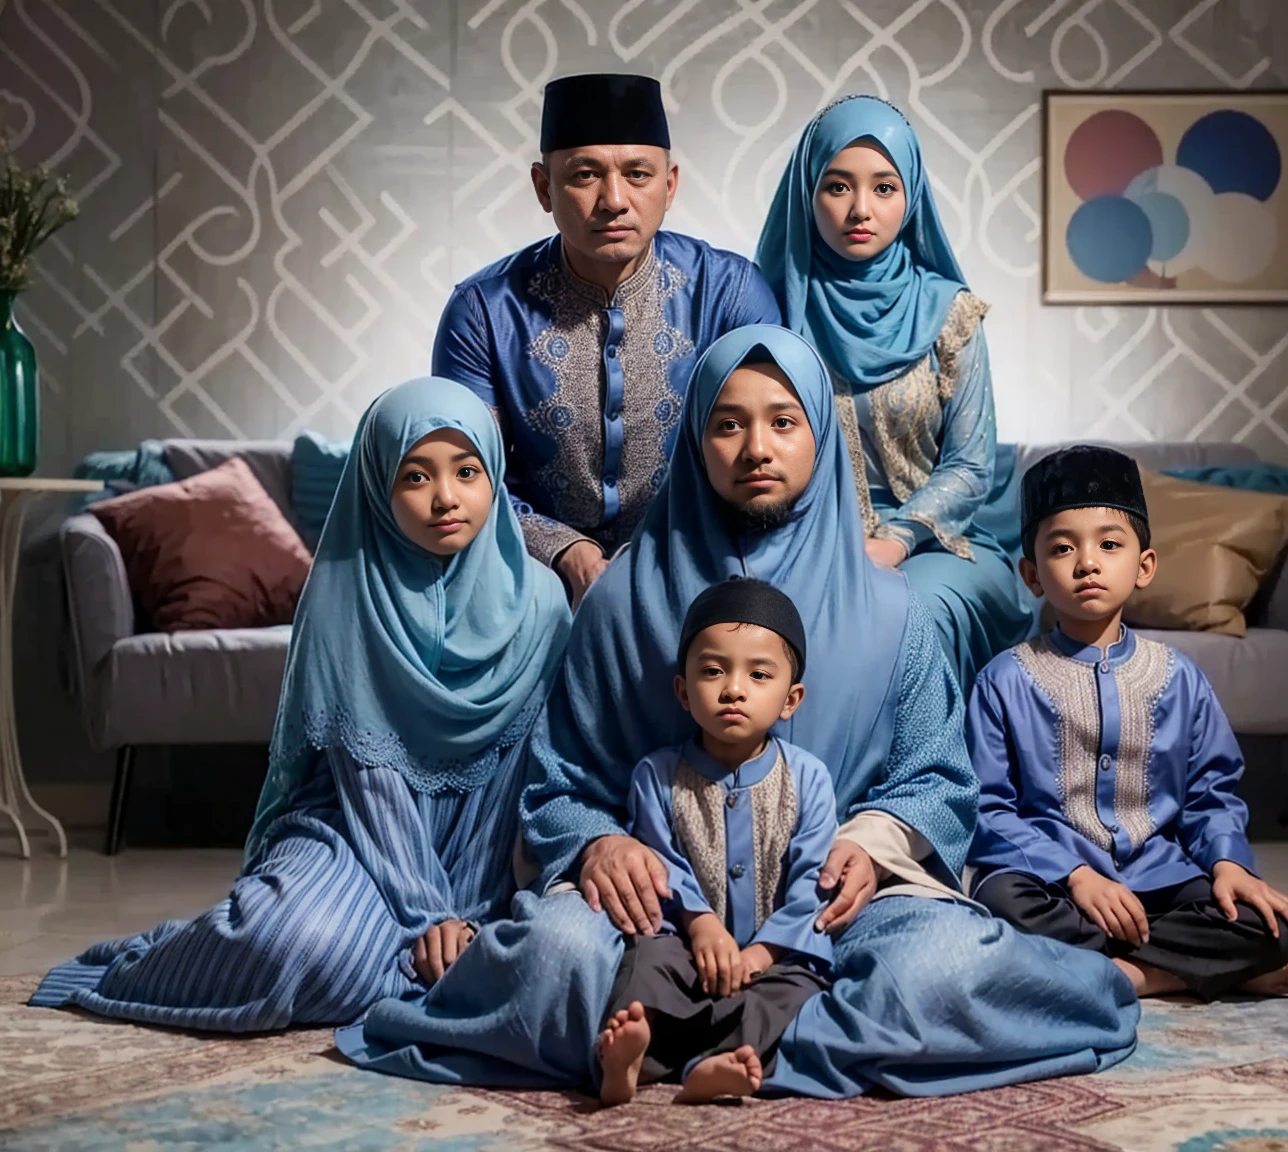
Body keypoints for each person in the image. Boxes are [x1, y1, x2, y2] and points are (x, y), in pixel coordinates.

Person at [336, 325, 1138, 1098]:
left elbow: (936, 778)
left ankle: (675, 1043)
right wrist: (603, 843)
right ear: (694, 441)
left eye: (783, 422)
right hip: (653, 910)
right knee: (553, 958)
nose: (756, 448)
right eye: (728, 424)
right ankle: (787, 1036)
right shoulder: (619, 600)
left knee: (940, 970)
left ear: (821, 436)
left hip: (827, 907)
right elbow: (560, 783)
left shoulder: (895, 610)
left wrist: (867, 846)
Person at [29, 380, 570, 1030]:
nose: (446, 498)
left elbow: (520, 772)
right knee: (288, 945)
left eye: (467, 471)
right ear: (377, 485)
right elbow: (370, 780)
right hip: (356, 836)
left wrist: (474, 914)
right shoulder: (345, 589)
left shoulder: (541, 603)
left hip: (485, 858)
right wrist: (429, 916)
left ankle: (414, 957)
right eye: (416, 476)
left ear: (493, 474)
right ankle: (154, 963)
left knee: (536, 959)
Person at [967, 445, 1288, 1000]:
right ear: (1031, 574)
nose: (1088, 563)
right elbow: (987, 809)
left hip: (1160, 879)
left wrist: (1227, 863)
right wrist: (1076, 875)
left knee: (1273, 926)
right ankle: (1191, 971)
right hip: (1056, 887)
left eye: (1109, 544)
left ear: (1143, 565)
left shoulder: (1180, 679)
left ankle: (1124, 976)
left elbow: (1210, 797)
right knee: (1001, 904)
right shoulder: (1005, 681)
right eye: (1061, 548)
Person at [433, 73, 782, 606]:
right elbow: (460, 475)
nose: (614, 200)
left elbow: (762, 454)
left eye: (638, 174)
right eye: (585, 175)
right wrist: (561, 549)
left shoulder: (730, 293)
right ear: (543, 187)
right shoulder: (482, 311)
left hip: (697, 563)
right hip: (527, 578)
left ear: (670, 185)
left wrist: (663, 552)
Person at [756, 95, 1032, 691]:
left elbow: (970, 465)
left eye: (884, 188)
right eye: (837, 186)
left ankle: (927, 780)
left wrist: (896, 540)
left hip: (935, 544)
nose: (861, 209)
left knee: (914, 611)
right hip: (803, 540)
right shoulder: (768, 310)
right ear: (806, 192)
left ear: (911, 198)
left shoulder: (949, 315)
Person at [598, 578, 835, 1106]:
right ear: (682, 692)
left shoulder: (809, 779)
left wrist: (761, 953)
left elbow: (812, 881)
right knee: (644, 964)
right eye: (712, 671)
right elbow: (660, 864)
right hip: (685, 946)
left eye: (758, 674)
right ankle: (627, 1059)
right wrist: (700, 926)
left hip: (775, 955)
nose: (733, 689)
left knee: (794, 993)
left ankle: (713, 1066)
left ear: (791, 699)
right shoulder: (656, 775)